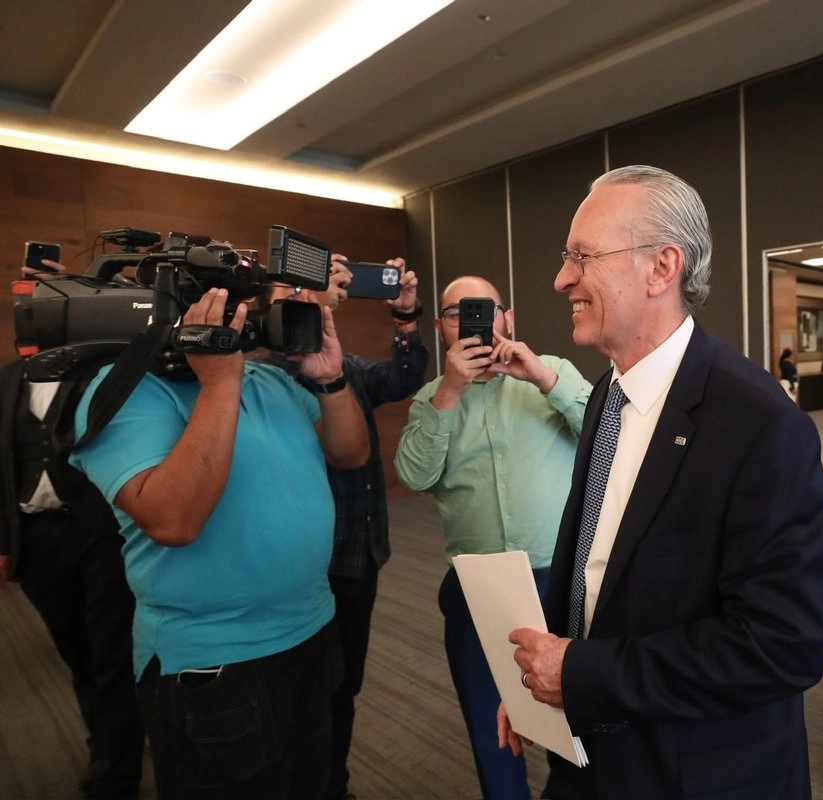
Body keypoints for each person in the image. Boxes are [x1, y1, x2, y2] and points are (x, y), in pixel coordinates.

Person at [501, 165, 823, 799]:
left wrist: (581, 674)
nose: (561, 278)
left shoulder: (762, 425)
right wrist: (539, 679)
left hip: (692, 773)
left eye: (582, 256)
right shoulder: (606, 394)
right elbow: (594, 569)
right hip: (586, 752)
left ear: (662, 268)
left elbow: (783, 645)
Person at [69, 282, 371, 800]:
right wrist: (218, 385)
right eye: (226, 309)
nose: (244, 318)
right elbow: (174, 522)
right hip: (216, 660)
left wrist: (331, 380)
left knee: (313, 782)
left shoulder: (272, 380)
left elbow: (351, 453)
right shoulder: (123, 389)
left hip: (314, 630)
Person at [395, 275, 591, 800]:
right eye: (455, 312)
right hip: (477, 588)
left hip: (563, 576)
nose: (470, 320)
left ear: (508, 319)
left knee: (575, 716)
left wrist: (545, 379)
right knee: (490, 722)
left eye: (483, 309)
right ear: (440, 328)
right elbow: (413, 476)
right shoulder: (430, 399)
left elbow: (609, 435)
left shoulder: (553, 375)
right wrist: (450, 393)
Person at [262, 255, 430, 799]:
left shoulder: (348, 368)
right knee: (296, 693)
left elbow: (403, 377)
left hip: (360, 557)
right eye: (293, 291)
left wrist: (405, 318)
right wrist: (315, 307)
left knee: (343, 686)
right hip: (304, 567)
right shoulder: (265, 374)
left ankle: (335, 783)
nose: (308, 298)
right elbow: (293, 370)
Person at [0, 259, 144, 800]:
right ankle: (103, 739)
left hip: (101, 535)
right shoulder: (7, 380)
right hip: (37, 542)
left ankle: (117, 770)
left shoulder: (104, 372)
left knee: (112, 655)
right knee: (76, 654)